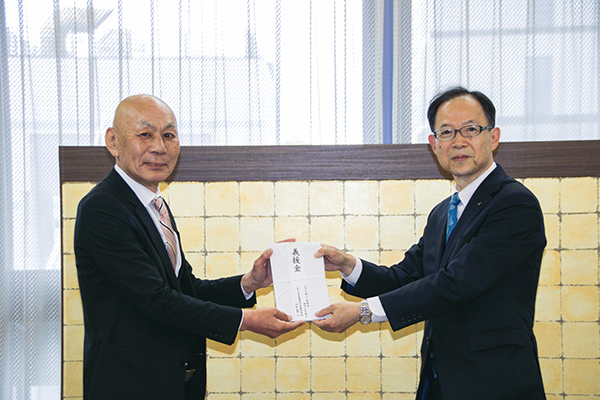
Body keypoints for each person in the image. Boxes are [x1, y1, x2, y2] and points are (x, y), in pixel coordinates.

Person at [313, 87, 547, 400]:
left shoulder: (515, 204)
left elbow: (456, 283)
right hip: (439, 382)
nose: (458, 141)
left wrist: (363, 311)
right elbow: (404, 277)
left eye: (471, 129)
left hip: (496, 382)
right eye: (446, 132)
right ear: (434, 145)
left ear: (493, 137)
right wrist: (348, 265)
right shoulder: (442, 213)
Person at [74, 94, 304, 400]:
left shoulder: (154, 206)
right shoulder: (102, 208)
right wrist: (245, 320)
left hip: (172, 385)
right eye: (145, 134)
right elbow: (157, 301)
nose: (159, 147)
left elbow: (185, 290)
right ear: (113, 142)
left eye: (169, 135)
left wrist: (249, 283)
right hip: (129, 385)